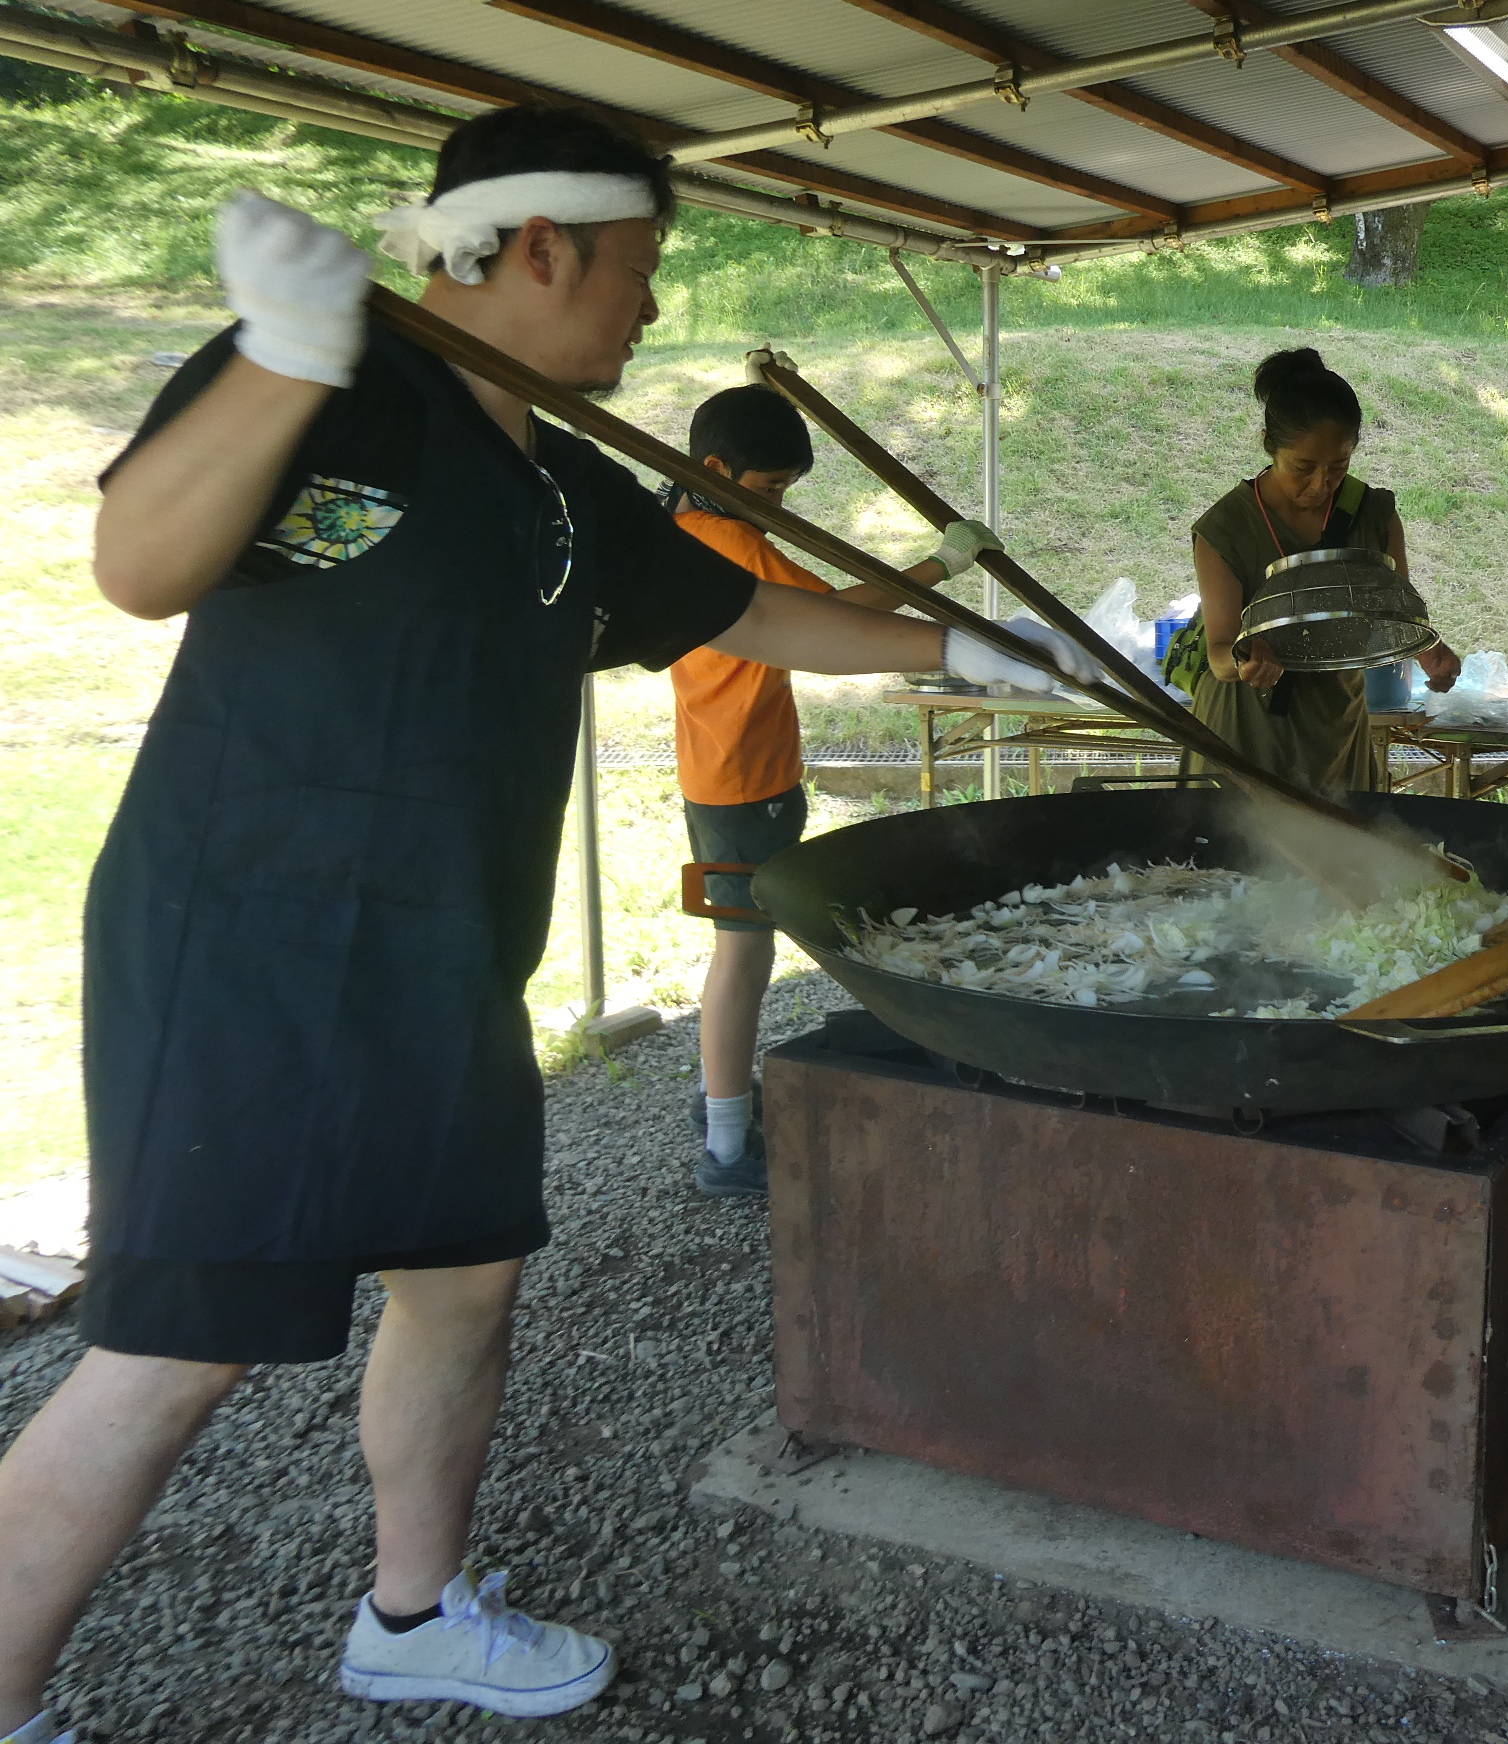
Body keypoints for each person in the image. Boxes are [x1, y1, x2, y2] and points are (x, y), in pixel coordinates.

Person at [0, 104, 1094, 1744]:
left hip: (444, 959)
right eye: (640, 270)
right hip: (256, 952)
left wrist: (956, 650)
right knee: (173, 1348)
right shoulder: (342, 385)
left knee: (463, 1279)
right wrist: (288, 347)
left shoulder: (566, 487)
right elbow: (140, 561)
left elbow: (737, 603)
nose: (650, 310)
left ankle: (416, 1612)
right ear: (539, 249)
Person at [666, 380, 996, 1195]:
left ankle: (724, 1097)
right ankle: (729, 1143)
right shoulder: (724, 538)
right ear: (716, 468)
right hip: (742, 779)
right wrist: (944, 565)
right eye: (771, 491)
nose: (778, 506)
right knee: (744, 952)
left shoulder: (682, 517)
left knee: (742, 942)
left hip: (718, 770)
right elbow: (835, 614)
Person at [1179, 347, 1460, 793]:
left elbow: (1393, 609)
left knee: (1344, 854)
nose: (1320, 485)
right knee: (1233, 858)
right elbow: (1218, 651)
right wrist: (1244, 659)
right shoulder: (1226, 527)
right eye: (1303, 468)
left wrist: (1428, 649)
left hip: (1336, 727)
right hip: (1244, 732)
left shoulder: (1373, 514)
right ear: (1269, 441)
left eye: (1339, 467)